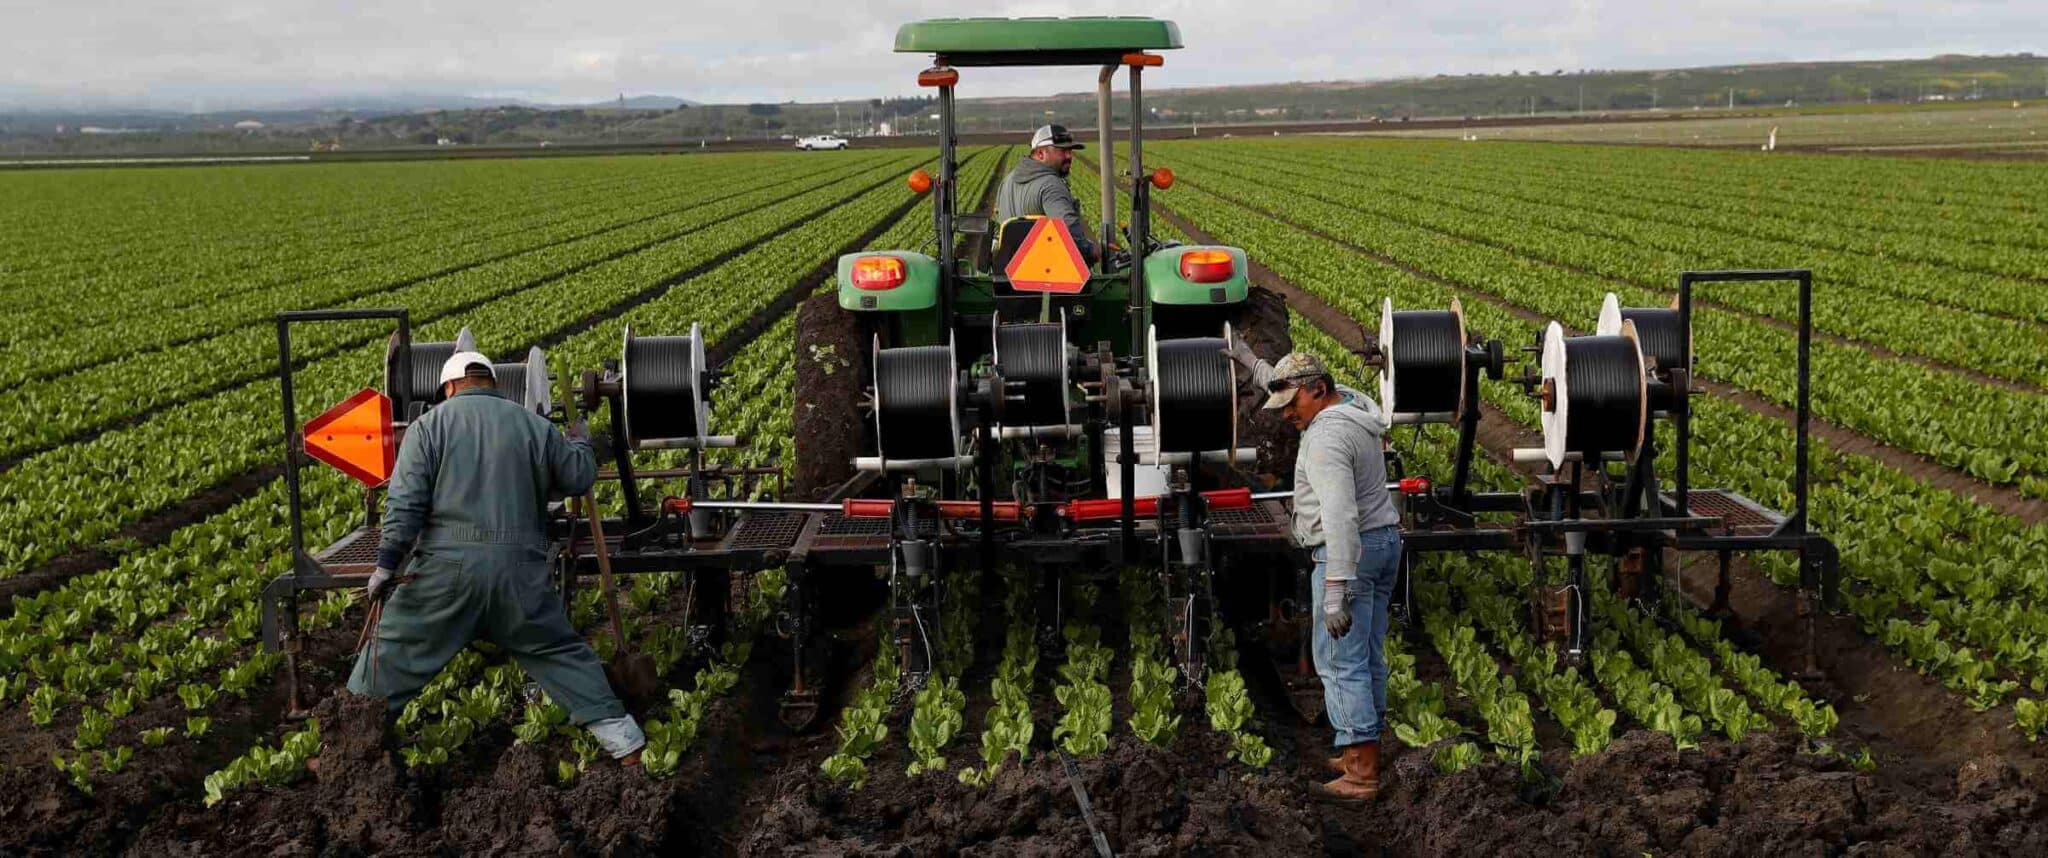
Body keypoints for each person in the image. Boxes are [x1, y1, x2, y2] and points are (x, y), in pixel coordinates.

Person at [348, 349, 646, 764]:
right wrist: (580, 440)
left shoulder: (427, 427)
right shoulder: (535, 426)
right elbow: (578, 477)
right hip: (519, 572)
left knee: (390, 654)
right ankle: (626, 743)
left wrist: (386, 565)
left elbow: (405, 505)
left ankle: (347, 743)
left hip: (444, 574)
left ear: (449, 388)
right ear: (493, 383)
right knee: (558, 651)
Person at [1228, 347, 1400, 801]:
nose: (1287, 414)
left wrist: (1335, 590)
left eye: (1293, 404)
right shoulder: (1355, 406)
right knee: (1367, 653)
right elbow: (1292, 384)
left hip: (1348, 554)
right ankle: (1363, 746)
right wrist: (1253, 362)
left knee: (1340, 660)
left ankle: (1361, 772)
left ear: (1318, 390)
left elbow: (1340, 517)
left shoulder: (1325, 440)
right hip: (1383, 542)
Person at [994, 123, 1099, 266]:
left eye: (1070, 151)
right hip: (1047, 273)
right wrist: (1090, 250)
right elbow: (1070, 237)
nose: (1069, 156)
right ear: (1040, 153)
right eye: (1062, 151)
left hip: (1009, 272)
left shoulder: (1007, 181)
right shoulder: (1051, 185)